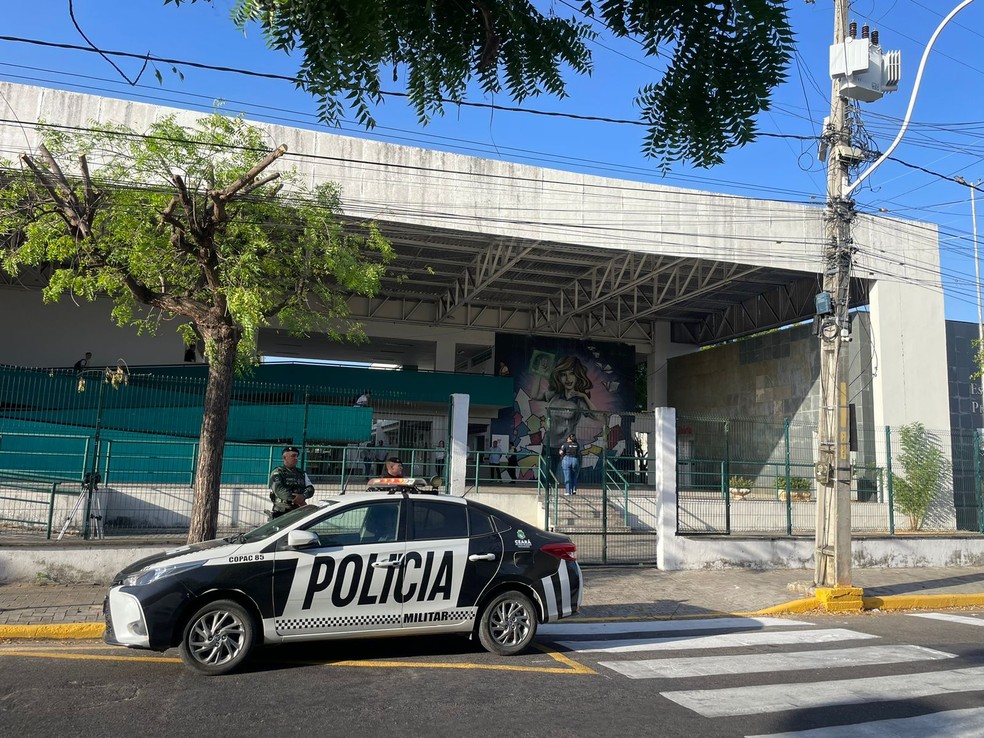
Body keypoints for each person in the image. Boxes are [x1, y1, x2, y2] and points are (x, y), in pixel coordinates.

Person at [268, 445, 314, 518]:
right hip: (282, 510)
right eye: (293, 456)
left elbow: (310, 488)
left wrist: (303, 496)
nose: (296, 458)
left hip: (299, 509)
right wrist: (299, 500)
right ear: (284, 458)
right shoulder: (277, 472)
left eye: (297, 456)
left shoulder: (301, 473)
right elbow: (279, 490)